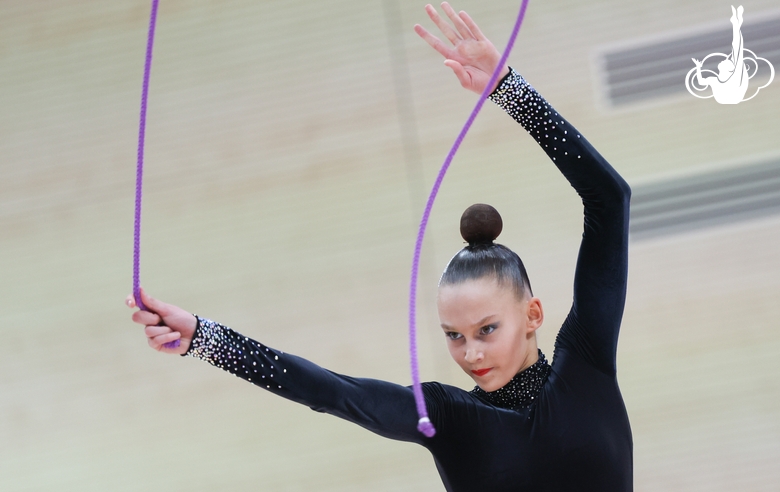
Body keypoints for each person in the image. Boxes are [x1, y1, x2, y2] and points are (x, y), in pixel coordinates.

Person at [127, 3, 633, 490]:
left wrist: (509, 91)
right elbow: (331, 393)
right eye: (454, 336)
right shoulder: (446, 417)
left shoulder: (585, 361)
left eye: (486, 329)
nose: (470, 353)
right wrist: (205, 338)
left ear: (533, 314)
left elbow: (610, 199)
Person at [692, 5, 748, 104]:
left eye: (727, 61)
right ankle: (736, 23)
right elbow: (737, 50)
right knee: (737, 51)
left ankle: (736, 23)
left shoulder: (723, 79)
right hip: (731, 96)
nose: (725, 59)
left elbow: (701, 82)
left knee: (737, 51)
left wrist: (698, 67)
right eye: (728, 61)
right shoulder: (722, 79)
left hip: (732, 96)